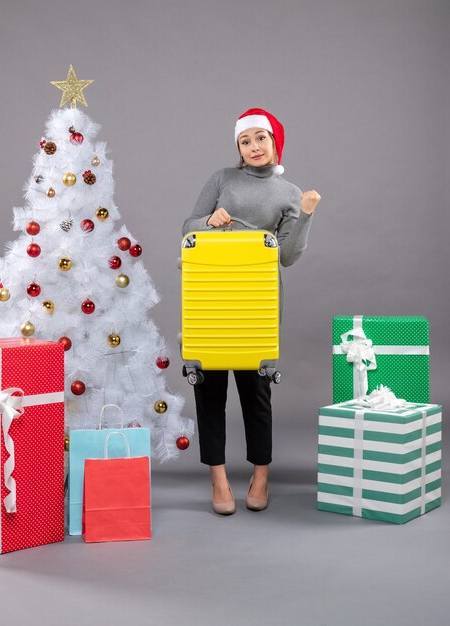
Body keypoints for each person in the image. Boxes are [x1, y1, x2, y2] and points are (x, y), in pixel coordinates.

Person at [182, 108, 321, 515]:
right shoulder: (221, 179)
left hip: (256, 298)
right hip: (210, 291)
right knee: (209, 390)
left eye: (260, 138)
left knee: (255, 391)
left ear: (275, 141)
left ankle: (261, 474)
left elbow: (289, 255)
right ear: (239, 148)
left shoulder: (290, 193)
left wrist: (307, 213)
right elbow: (188, 226)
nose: (253, 147)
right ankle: (218, 478)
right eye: (246, 141)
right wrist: (209, 220)